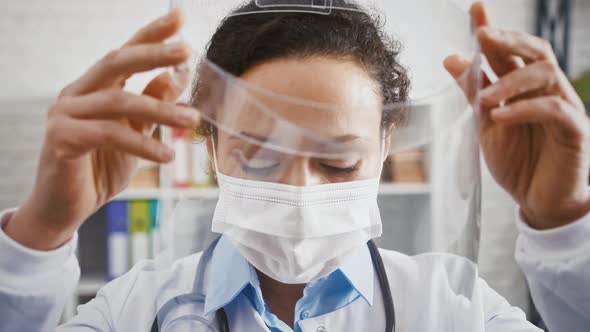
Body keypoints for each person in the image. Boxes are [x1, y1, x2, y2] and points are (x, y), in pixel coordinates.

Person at [0, 1, 587, 331]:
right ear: (210, 149)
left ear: (385, 148)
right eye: (257, 158)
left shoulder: (454, 309)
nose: (299, 193)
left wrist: (562, 221)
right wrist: (41, 237)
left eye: (337, 163)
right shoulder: (132, 311)